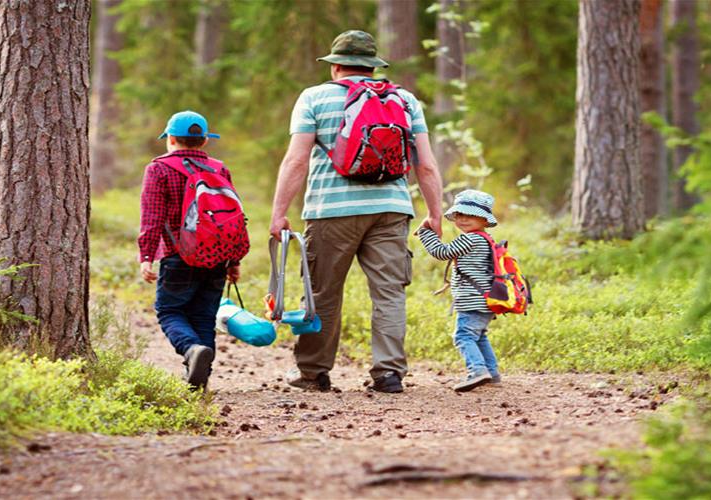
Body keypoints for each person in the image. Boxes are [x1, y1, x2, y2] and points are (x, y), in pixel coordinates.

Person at [269, 30, 446, 393]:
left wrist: (279, 213)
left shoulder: (313, 98)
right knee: (390, 293)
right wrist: (435, 213)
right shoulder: (405, 100)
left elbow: (296, 160)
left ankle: (313, 372)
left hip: (330, 211)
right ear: (372, 66)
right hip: (392, 210)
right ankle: (388, 373)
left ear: (335, 66)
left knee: (322, 292)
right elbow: (425, 165)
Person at [139, 110, 244, 390]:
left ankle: (190, 350)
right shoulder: (219, 169)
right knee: (203, 316)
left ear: (171, 138)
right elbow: (230, 218)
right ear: (205, 141)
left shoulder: (158, 168)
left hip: (177, 255)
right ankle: (199, 381)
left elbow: (152, 217)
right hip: (217, 256)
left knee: (169, 310)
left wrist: (147, 257)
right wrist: (233, 260)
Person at [417, 189, 504, 392]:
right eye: (460, 215)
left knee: (463, 336)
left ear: (484, 219)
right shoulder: (485, 239)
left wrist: (424, 232)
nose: (464, 220)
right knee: (479, 336)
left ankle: (477, 370)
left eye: (471, 215)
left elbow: (442, 252)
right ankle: (492, 373)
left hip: (472, 301)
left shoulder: (470, 239)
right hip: (486, 300)